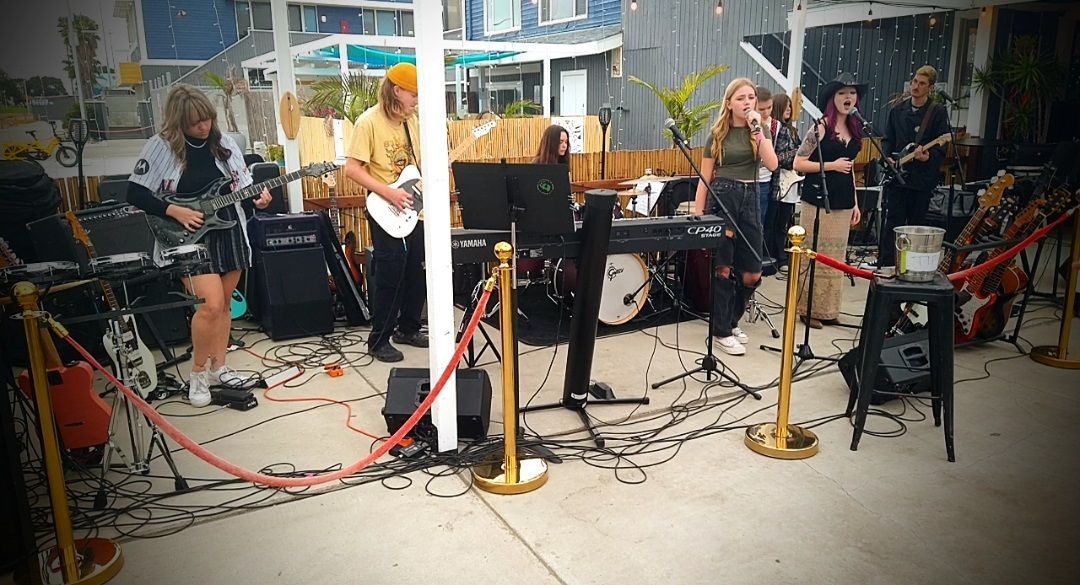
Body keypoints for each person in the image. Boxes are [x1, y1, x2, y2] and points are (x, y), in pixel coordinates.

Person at [127, 85, 272, 407]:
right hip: (187, 235)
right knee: (209, 304)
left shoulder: (224, 144)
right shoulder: (160, 147)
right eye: (195, 123)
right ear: (180, 122)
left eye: (206, 119)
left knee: (223, 308)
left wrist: (259, 197)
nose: (203, 127)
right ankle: (197, 373)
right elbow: (135, 193)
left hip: (229, 229)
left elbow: (243, 187)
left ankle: (220, 367)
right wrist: (174, 210)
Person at [344, 62, 427, 363]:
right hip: (384, 206)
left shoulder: (413, 120)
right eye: (413, 94)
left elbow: (418, 164)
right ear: (397, 90)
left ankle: (408, 328)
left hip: (413, 206)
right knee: (391, 270)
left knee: (416, 267)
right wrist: (388, 192)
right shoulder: (368, 122)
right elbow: (352, 169)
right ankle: (378, 339)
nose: (417, 99)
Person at [693, 78, 778, 355]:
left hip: (752, 197)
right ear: (729, 103)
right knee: (724, 267)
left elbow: (773, 163)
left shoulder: (760, 130)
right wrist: (698, 212)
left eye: (751, 97)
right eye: (741, 98)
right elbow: (705, 177)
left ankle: (730, 321)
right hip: (724, 196)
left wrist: (758, 130)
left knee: (752, 272)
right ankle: (721, 330)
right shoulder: (717, 136)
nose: (747, 103)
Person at [793, 73, 864, 329]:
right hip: (817, 199)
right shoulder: (820, 127)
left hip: (843, 199)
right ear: (832, 98)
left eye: (852, 93)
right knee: (814, 255)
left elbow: (851, 168)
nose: (848, 98)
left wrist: (855, 202)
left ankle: (828, 309)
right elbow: (798, 162)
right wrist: (831, 165)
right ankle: (808, 309)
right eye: (842, 93)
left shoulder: (856, 129)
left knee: (836, 258)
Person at [879, 65, 950, 267]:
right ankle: (887, 264)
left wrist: (928, 157)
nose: (916, 87)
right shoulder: (897, 111)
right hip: (897, 176)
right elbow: (888, 139)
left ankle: (912, 265)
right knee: (893, 222)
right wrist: (888, 158)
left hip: (921, 179)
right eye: (915, 82)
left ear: (931, 87)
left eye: (922, 84)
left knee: (917, 224)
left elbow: (941, 145)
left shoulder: (937, 113)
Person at [763, 93, 801, 269]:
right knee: (772, 223)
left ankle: (779, 257)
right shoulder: (776, 130)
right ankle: (772, 258)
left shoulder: (791, 130)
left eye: (790, 106)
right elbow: (778, 158)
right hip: (778, 182)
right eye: (785, 106)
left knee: (782, 222)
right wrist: (795, 155)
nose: (789, 109)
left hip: (791, 182)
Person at [754, 86, 775, 226]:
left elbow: (771, 160)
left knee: (759, 224)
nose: (766, 112)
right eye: (762, 109)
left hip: (764, 180)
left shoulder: (771, 126)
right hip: (746, 180)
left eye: (769, 108)